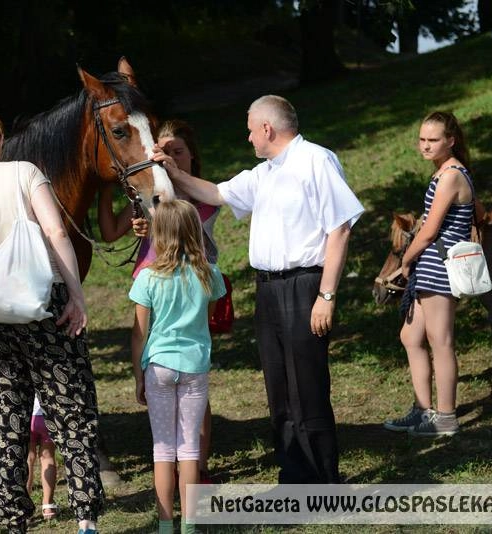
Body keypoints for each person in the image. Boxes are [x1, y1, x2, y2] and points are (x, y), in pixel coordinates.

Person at [153, 95, 364, 484]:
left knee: (308, 387)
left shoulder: (315, 160)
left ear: (267, 128)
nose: (248, 138)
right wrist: (171, 171)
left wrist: (327, 295)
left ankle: (322, 483)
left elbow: (340, 227)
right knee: (278, 387)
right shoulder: (264, 173)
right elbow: (216, 193)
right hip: (268, 290)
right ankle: (294, 476)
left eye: (251, 130)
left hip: (305, 286)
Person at [0, 107, 104, 534]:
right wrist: (77, 296)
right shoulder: (25, 172)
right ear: (1, 140)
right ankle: (85, 520)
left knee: (5, 426)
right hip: (47, 309)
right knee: (72, 414)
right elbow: (58, 234)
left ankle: (14, 524)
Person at [98, 119, 218, 482]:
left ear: (192, 157)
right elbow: (109, 231)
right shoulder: (149, 193)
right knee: (161, 367)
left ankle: (197, 468)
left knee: (192, 378)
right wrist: (107, 186)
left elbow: (197, 235)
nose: (167, 158)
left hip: (190, 290)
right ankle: (182, 469)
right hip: (152, 289)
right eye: (162, 152)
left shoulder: (201, 198)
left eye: (176, 152)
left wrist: (156, 225)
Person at [129, 199, 226, 534]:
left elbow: (139, 333)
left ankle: (165, 523)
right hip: (195, 365)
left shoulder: (147, 278)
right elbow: (210, 317)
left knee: (162, 449)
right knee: (189, 448)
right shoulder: (210, 274)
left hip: (158, 366)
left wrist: (137, 375)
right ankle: (190, 524)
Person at [383, 111, 479, 437]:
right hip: (431, 266)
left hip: (440, 266)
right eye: (422, 139)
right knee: (410, 336)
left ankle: (447, 418)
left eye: (433, 140)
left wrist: (404, 262)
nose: (425, 145)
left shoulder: (451, 175)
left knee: (441, 341)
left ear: (450, 140)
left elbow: (428, 231)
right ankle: (423, 410)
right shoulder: (443, 172)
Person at [26, 394, 59, 520]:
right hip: (48, 415)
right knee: (48, 457)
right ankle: (48, 506)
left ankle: (25, 505)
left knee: (28, 459)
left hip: (29, 416)